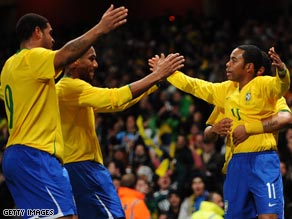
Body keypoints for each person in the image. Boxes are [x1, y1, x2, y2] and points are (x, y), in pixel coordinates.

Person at [0, 5, 128, 219]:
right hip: (36, 154)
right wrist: (100, 28)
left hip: (14, 156)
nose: (52, 40)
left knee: (39, 215)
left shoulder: (7, 67)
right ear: (37, 32)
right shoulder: (32, 57)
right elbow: (65, 55)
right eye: (50, 33)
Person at [150, 45, 290, 219]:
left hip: (263, 159)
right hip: (235, 163)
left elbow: (280, 87)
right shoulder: (226, 91)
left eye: (233, 60)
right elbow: (194, 86)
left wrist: (282, 70)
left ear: (250, 67)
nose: (227, 64)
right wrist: (167, 73)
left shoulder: (263, 85)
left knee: (269, 216)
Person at [56, 45, 184, 219]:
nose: (96, 65)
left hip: (78, 167)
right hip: (83, 168)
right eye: (91, 59)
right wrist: (157, 75)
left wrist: (157, 81)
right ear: (75, 61)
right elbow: (115, 98)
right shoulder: (71, 87)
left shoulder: (69, 90)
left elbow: (121, 103)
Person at [204, 51, 292, 174]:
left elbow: (286, 118)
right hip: (233, 166)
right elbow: (208, 134)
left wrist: (247, 129)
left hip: (261, 163)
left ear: (258, 70)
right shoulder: (230, 94)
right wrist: (213, 130)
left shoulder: (270, 96)